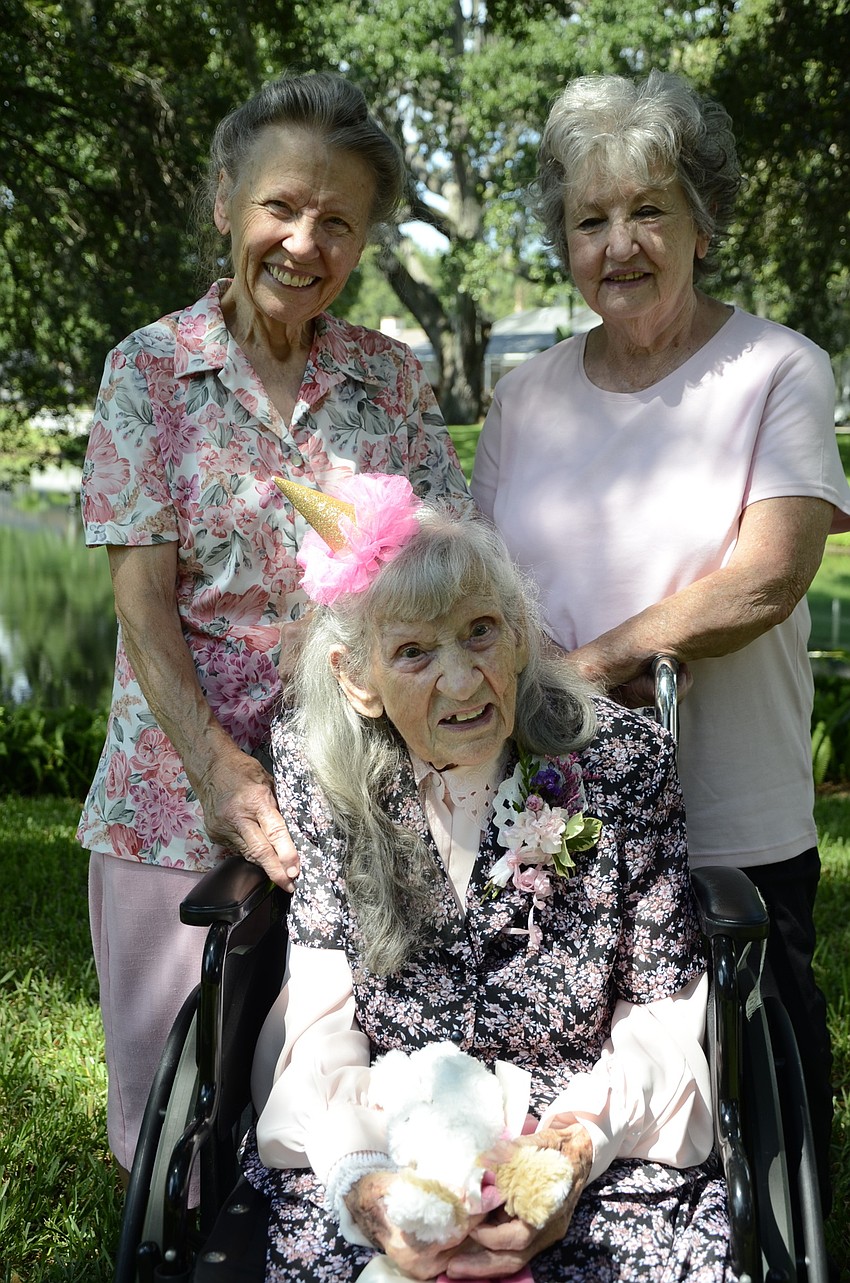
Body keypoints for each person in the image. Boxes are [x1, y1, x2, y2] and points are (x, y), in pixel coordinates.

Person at [78, 71, 470, 1186]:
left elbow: (437, 568)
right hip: (174, 782)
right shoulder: (147, 373)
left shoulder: (388, 378)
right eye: (280, 207)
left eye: (337, 221)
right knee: (167, 1121)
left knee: (338, 1092)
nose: (305, 242)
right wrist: (219, 771)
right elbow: (142, 601)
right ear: (224, 205)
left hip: (358, 783)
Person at [470, 68, 850, 1217]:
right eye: (590, 219)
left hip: (729, 803)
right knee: (584, 1072)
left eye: (647, 210)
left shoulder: (776, 368)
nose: (619, 243)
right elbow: (479, 591)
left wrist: (586, 671)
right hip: (556, 806)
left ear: (700, 218)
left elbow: (770, 574)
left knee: (760, 1080)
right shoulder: (522, 396)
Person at [242, 472, 731, 1281]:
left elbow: (660, 1020)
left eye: (480, 632)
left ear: (518, 633)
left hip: (589, 1154)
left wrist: (569, 1154)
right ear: (357, 678)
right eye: (413, 652)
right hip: (389, 1134)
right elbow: (323, 1015)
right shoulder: (321, 769)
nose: (463, 681)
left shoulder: (620, 763)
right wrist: (368, 1187)